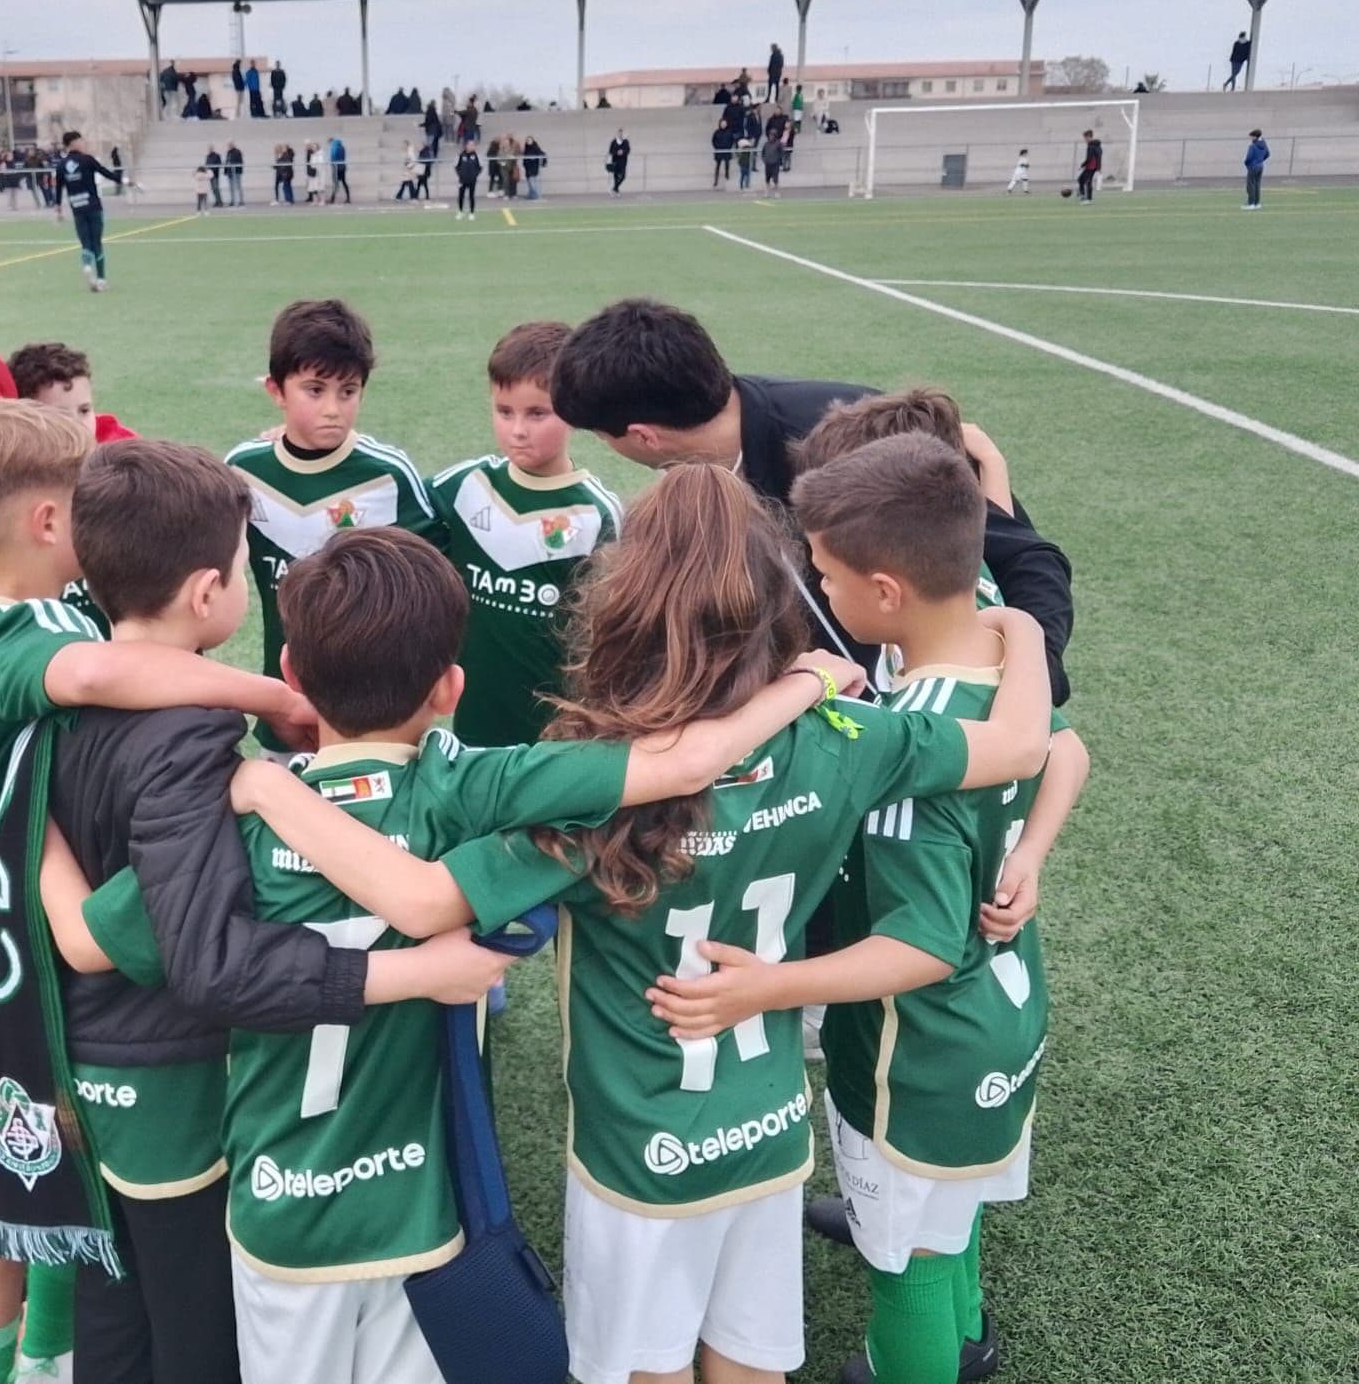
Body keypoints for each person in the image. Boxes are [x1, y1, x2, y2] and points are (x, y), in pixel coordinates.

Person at [223, 470, 1052, 1384]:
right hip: (767, 1128)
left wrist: (266, 786)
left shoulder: (595, 781)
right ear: (780, 608)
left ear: (623, 608)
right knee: (751, 1366)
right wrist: (1015, 623)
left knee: (641, 1370)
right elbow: (1023, 744)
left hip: (638, 1150)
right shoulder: (846, 733)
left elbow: (421, 900)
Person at [66, 525, 870, 1384]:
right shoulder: (467, 787)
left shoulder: (234, 821)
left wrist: (24, 818)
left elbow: (84, 942)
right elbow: (685, 764)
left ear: (293, 673)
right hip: (423, 1208)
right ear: (450, 688)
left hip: (282, 1214)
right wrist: (810, 676)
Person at [0, 399, 313, 1384]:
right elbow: (101, 673)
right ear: (47, 523)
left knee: (19, 1201)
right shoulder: (24, 645)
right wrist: (279, 698)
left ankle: (38, 1348)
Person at [656, 432, 1087, 1384]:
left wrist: (769, 987)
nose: (821, 591)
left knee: (907, 1267)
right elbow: (1066, 749)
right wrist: (1032, 851)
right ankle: (967, 1340)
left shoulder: (905, 749)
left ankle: (920, 1361)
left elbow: (923, 945)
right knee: (949, 1213)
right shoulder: (985, 643)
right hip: (1004, 1015)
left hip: (918, 1046)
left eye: (826, 574)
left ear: (884, 592)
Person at [34, 440, 416, 1384]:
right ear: (209, 592)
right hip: (166, 1075)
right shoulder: (194, 742)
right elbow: (203, 959)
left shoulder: (45, 687)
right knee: (198, 1322)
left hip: (74, 1052)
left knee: (112, 1300)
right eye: (245, 568)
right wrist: (387, 976)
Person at [547, 298, 1077, 705]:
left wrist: (1031, 687)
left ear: (642, 436)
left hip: (920, 725)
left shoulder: (849, 441)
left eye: (600, 435)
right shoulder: (693, 486)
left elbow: (1025, 557)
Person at [225, 299, 435, 762]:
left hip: (377, 712)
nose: (333, 409)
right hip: (286, 705)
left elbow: (431, 583)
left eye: (348, 391)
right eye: (314, 390)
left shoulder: (389, 475)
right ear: (276, 391)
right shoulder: (243, 471)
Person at [428, 320, 620, 745]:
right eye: (504, 411)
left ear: (573, 410)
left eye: (537, 413)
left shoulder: (596, 514)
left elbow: (610, 635)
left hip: (555, 734)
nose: (517, 429)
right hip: (472, 724)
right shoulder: (464, 487)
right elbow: (395, 504)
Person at [57, 130, 122, 292]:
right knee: (97, 243)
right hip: (93, 207)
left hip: (77, 208)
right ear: (73, 143)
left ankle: (87, 266)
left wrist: (58, 209)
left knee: (85, 243)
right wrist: (124, 180)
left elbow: (58, 189)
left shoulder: (61, 165)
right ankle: (101, 280)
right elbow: (105, 173)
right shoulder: (87, 160)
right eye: (81, 141)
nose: (83, 143)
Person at [1243, 128, 1269, 210]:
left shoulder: (1252, 146)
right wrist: (1260, 160)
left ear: (1255, 137)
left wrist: (1247, 163)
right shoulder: (1264, 145)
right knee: (1257, 185)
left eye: (1251, 137)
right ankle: (1257, 203)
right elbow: (1267, 154)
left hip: (1253, 167)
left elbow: (1248, 157)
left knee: (1250, 185)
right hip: (1260, 166)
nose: (1250, 139)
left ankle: (1251, 203)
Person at [454, 141, 480, 219]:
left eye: (473, 145)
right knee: (461, 196)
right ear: (466, 146)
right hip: (462, 180)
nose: (472, 146)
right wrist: (460, 174)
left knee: (471, 196)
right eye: (470, 145)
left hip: (472, 180)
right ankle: (460, 211)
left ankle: (471, 213)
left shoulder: (476, 155)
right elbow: (456, 166)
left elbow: (480, 167)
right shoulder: (461, 155)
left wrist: (475, 175)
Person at [1076, 130, 1102, 202]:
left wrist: (1082, 165)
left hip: (1091, 167)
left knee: (1087, 182)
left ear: (1088, 137)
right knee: (1081, 179)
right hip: (1093, 167)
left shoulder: (1091, 146)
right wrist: (1099, 167)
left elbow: (1089, 158)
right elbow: (1099, 157)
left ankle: (1088, 198)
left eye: (1085, 138)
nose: (1084, 140)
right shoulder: (1098, 145)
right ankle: (1082, 195)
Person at [712, 116, 736, 188]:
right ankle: (716, 181)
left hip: (727, 151)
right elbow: (713, 141)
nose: (723, 125)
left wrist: (728, 147)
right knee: (718, 166)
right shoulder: (716, 132)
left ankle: (727, 176)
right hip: (719, 151)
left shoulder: (729, 132)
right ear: (720, 124)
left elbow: (732, 141)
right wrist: (717, 147)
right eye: (722, 123)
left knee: (727, 164)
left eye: (725, 123)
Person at [762, 127, 786, 197]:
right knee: (767, 179)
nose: (771, 136)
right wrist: (764, 159)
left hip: (775, 164)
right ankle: (766, 193)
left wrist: (778, 160)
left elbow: (782, 153)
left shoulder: (778, 144)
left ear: (775, 136)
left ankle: (777, 193)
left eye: (772, 135)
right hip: (768, 163)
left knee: (775, 179)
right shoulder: (766, 144)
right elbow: (763, 152)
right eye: (770, 135)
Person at [326, 134, 350, 204]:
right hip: (342, 166)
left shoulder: (334, 146)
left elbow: (333, 157)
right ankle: (347, 198)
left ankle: (332, 199)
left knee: (336, 183)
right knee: (343, 182)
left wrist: (332, 162)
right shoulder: (341, 146)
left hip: (336, 167)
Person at [607, 128, 630, 195]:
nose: (620, 134)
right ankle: (616, 190)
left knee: (623, 176)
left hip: (623, 162)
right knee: (616, 176)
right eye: (619, 133)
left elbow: (628, 150)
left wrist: (622, 152)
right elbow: (611, 151)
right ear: (617, 134)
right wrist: (617, 152)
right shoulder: (613, 142)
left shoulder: (626, 141)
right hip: (615, 161)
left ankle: (614, 188)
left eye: (621, 133)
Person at [302, 140, 321, 204]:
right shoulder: (309, 152)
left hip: (313, 171)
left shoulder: (312, 152)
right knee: (310, 185)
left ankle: (316, 199)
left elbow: (313, 162)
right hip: (310, 170)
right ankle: (313, 198)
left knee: (314, 185)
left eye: (307, 145)